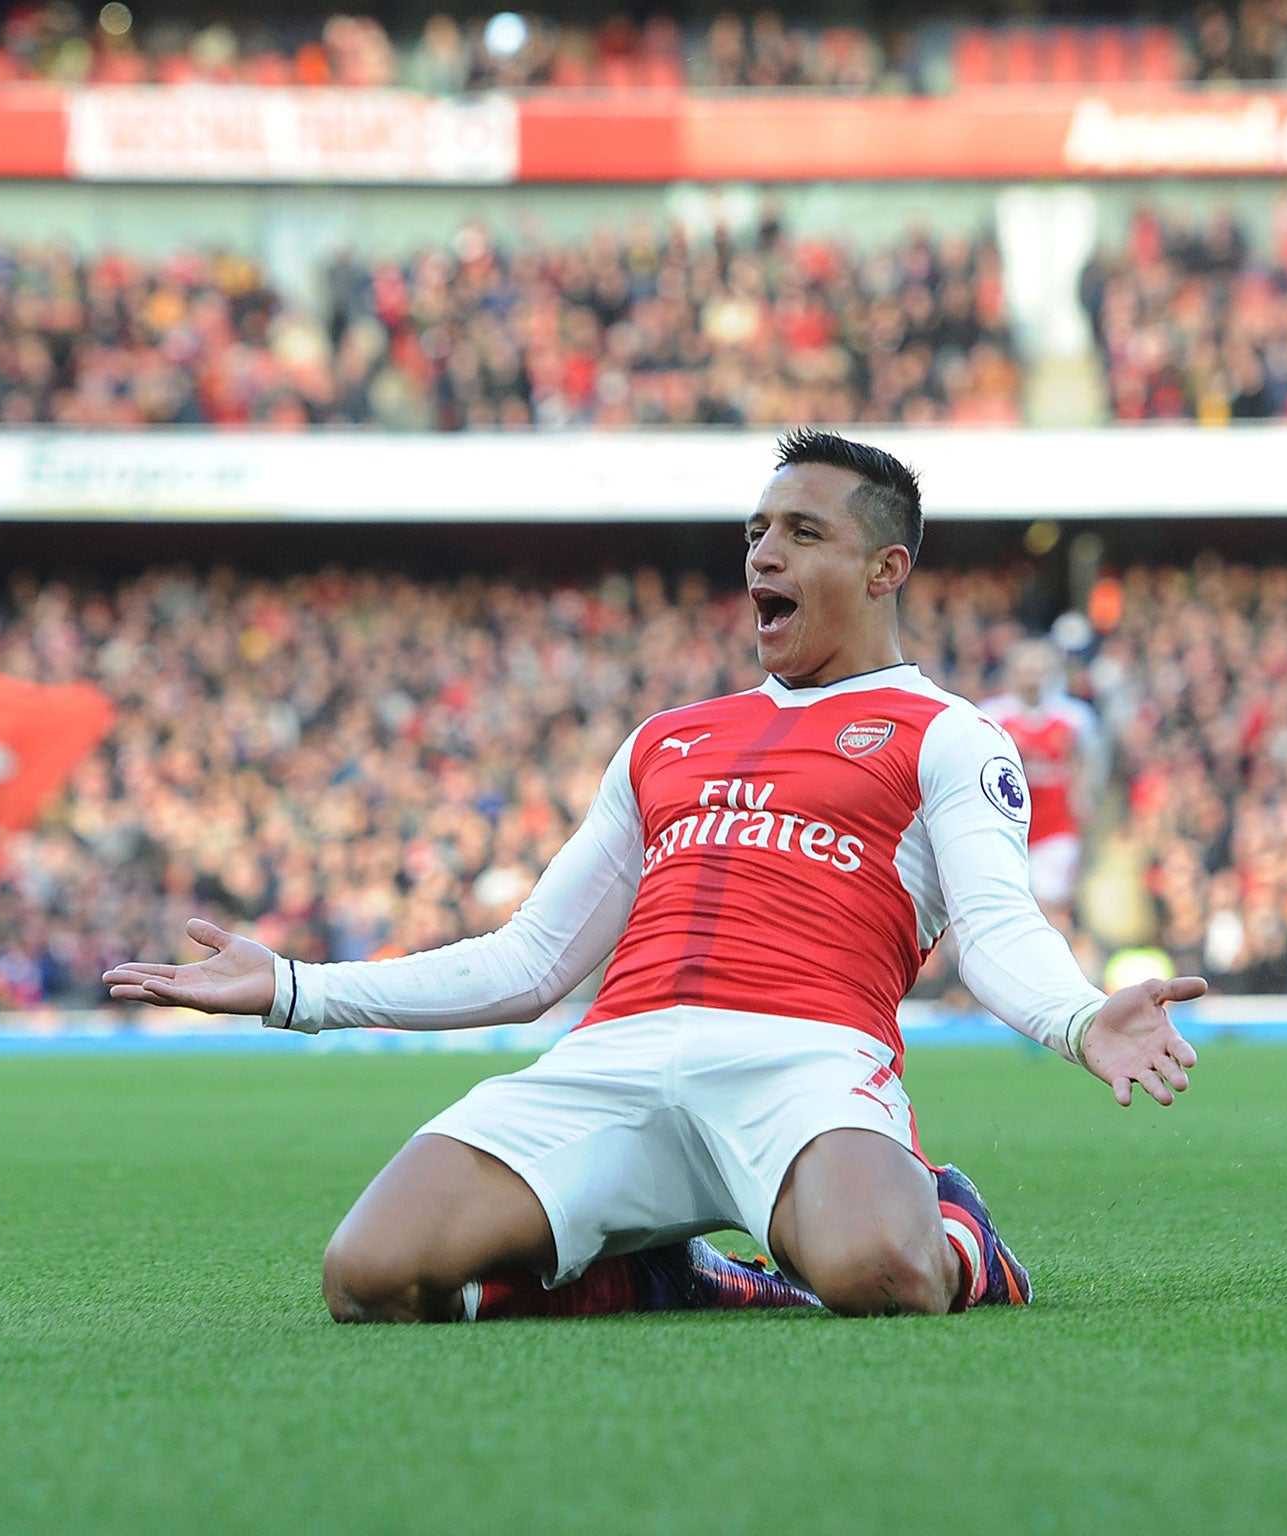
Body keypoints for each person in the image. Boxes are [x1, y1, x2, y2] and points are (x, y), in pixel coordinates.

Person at [104, 429, 1203, 1324]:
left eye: (801, 533)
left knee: (884, 1277)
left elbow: (997, 929)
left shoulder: (946, 735)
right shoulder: (666, 738)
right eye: (757, 530)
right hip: (614, 1059)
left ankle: (955, 1226)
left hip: (803, 1061)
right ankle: (664, 1270)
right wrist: (295, 988)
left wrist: (1075, 1020)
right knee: (370, 1276)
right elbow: (531, 961)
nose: (762, 554)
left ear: (884, 570)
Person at [981, 638, 1105, 932]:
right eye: (1026, 670)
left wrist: (1084, 798)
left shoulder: (1074, 717)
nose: (1032, 677)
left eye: (1038, 669)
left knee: (1052, 905)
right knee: (1015, 906)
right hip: (1009, 828)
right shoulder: (991, 716)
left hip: (1056, 826)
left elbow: (1090, 762)